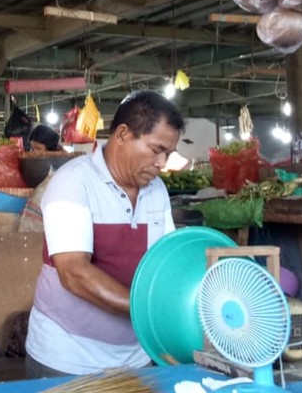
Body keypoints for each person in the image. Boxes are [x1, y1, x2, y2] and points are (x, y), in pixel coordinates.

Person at [25, 90, 184, 377]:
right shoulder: (74, 182)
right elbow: (74, 272)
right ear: (123, 134)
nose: (162, 164)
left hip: (137, 358)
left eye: (168, 154)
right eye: (156, 150)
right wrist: (150, 312)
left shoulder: (156, 190)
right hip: (67, 359)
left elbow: (166, 260)